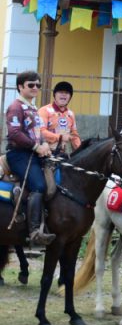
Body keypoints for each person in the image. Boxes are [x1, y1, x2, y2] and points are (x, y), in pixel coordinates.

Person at [4, 71, 55, 246]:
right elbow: (14, 133)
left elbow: (37, 133)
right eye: (31, 85)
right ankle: (34, 231)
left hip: (35, 153)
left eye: (38, 85)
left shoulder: (33, 108)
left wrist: (45, 145)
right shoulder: (16, 107)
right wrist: (36, 146)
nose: (35, 88)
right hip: (18, 155)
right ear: (20, 87)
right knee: (39, 186)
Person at [38, 81, 82, 157]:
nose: (64, 94)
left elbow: (74, 135)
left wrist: (82, 150)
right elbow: (41, 132)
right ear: (54, 95)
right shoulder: (44, 110)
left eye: (67, 93)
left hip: (64, 154)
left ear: (70, 97)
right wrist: (60, 137)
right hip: (46, 153)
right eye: (61, 92)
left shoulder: (71, 114)